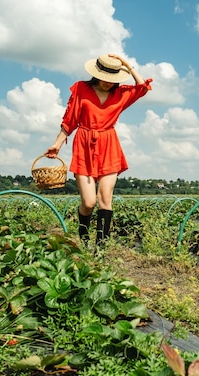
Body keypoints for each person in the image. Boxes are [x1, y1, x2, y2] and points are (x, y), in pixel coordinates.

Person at [45, 53, 151, 244]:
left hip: (109, 145)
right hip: (84, 144)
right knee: (89, 203)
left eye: (112, 79)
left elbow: (142, 88)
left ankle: (101, 248)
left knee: (105, 200)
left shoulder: (121, 94)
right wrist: (57, 144)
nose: (108, 83)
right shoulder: (81, 89)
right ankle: (84, 238)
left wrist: (127, 64)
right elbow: (69, 120)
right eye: (105, 78)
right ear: (97, 74)